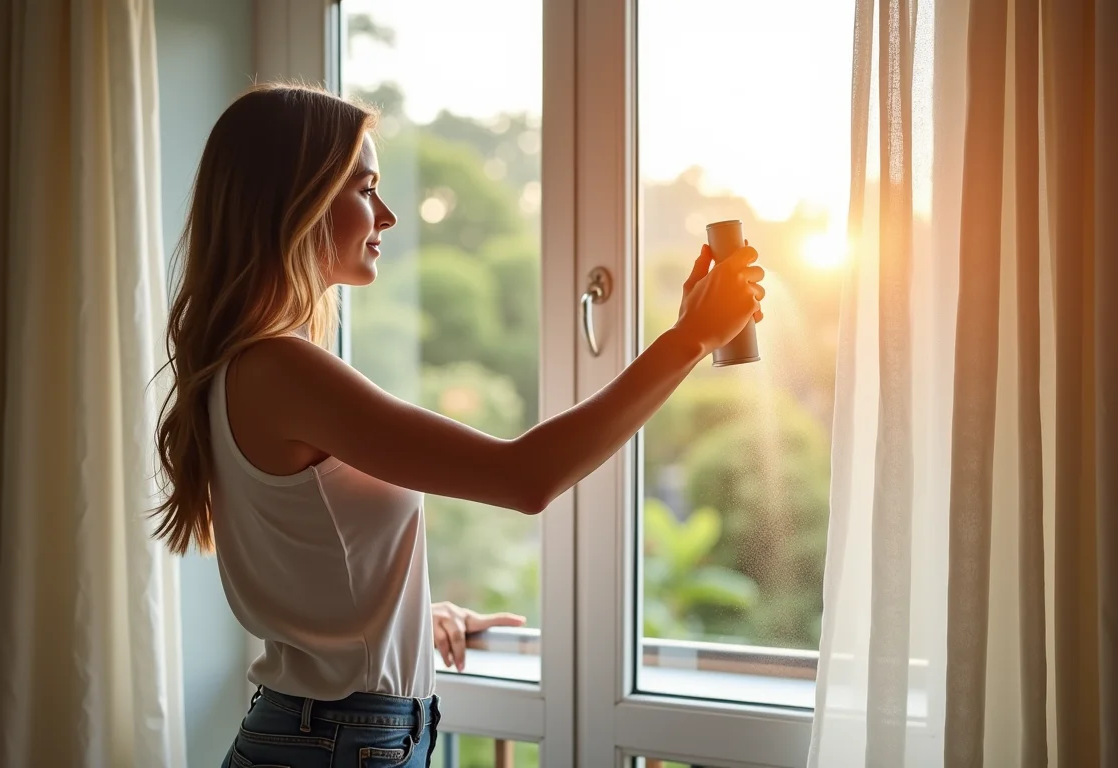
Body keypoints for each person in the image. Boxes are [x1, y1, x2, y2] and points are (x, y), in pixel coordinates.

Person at [152, 82, 765, 768]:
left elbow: (315, 560)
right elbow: (524, 476)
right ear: (294, 203)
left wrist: (408, 624)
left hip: (333, 737)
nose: (384, 215)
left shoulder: (250, 368)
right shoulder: (281, 371)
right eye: (363, 189)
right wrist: (686, 340)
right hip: (333, 745)